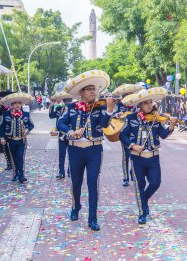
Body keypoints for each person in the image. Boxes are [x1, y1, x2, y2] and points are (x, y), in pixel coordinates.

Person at [57, 70, 115, 231]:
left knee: (92, 183)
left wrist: (110, 109)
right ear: (81, 92)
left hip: (94, 151)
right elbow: (60, 124)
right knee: (76, 182)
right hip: (75, 150)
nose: (93, 92)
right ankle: (76, 207)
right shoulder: (71, 107)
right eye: (89, 89)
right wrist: (70, 132)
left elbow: (104, 124)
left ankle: (93, 218)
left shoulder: (100, 108)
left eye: (94, 89)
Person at [120, 87, 178, 225]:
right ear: (139, 104)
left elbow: (163, 135)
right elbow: (122, 135)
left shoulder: (156, 119)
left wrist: (171, 127)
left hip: (153, 157)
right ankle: (142, 212)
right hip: (137, 158)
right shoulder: (131, 118)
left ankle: (143, 200)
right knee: (139, 185)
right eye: (146, 103)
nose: (149, 105)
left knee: (155, 182)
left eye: (150, 102)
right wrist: (132, 145)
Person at [0, 93, 35, 184]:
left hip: (21, 140)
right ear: (11, 105)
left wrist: (27, 129)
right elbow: (1, 127)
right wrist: (2, 138)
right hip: (10, 140)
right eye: (15, 103)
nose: (17, 105)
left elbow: (31, 125)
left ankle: (22, 175)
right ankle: (16, 174)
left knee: (20, 157)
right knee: (13, 158)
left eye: (19, 103)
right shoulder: (5, 114)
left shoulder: (26, 114)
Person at [111, 84, 142, 187]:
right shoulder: (120, 104)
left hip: (135, 133)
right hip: (124, 132)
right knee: (126, 156)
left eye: (130, 94)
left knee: (134, 155)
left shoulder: (137, 104)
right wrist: (117, 114)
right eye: (127, 94)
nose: (129, 95)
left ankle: (133, 173)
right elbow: (112, 114)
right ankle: (125, 177)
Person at [49, 92, 73, 179]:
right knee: (62, 153)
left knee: (71, 153)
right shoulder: (60, 109)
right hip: (62, 135)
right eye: (65, 100)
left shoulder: (75, 109)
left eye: (69, 100)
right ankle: (61, 172)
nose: (67, 102)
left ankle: (70, 171)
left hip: (72, 135)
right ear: (63, 101)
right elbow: (51, 116)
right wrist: (52, 105)